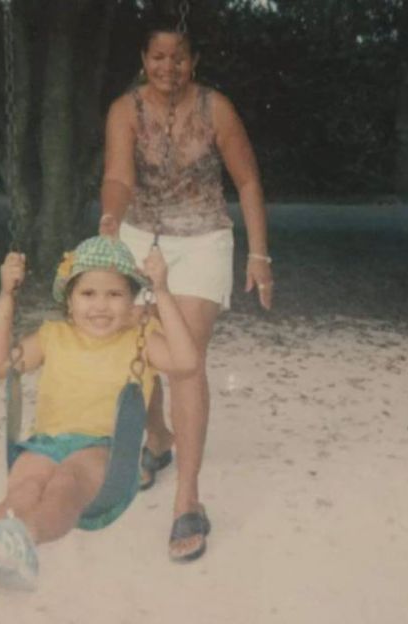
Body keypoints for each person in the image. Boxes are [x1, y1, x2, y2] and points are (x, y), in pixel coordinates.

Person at [0, 236, 199, 622]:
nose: (100, 305)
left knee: (66, 482)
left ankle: (23, 542)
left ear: (132, 302)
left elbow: (186, 361)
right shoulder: (51, 337)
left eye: (114, 294)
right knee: (24, 488)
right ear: (70, 301)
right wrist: (7, 296)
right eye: (88, 293)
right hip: (45, 444)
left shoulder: (140, 342)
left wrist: (161, 289)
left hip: (103, 453)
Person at [98, 20, 273, 562]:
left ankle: (187, 501)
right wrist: (110, 216)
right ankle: (157, 439)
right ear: (144, 58)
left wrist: (260, 255)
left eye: (178, 58)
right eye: (157, 58)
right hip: (140, 234)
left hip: (201, 240)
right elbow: (120, 177)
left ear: (192, 62)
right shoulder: (125, 110)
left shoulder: (215, 108)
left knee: (185, 360)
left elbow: (246, 181)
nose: (167, 68)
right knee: (137, 354)